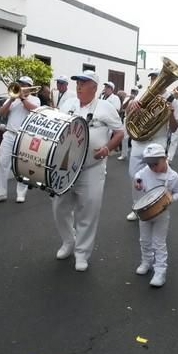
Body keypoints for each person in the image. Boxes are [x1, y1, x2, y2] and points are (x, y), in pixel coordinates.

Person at [52, 70, 124, 271]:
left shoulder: (106, 107)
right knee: (59, 207)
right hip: (65, 166)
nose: (78, 86)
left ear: (94, 87)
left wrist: (107, 148)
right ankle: (68, 241)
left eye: (83, 83)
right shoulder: (67, 104)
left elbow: (120, 132)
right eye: (77, 83)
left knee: (88, 211)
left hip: (92, 167)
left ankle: (82, 253)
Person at [125, 70, 178, 221]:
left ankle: (154, 208)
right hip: (139, 141)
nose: (156, 82)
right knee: (134, 176)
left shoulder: (170, 98)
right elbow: (129, 116)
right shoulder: (142, 93)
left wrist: (171, 113)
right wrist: (131, 108)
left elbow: (174, 128)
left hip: (157, 141)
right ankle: (137, 207)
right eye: (154, 78)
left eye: (159, 79)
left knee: (155, 177)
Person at [133, 143, 178, 287]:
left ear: (165, 158)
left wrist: (170, 199)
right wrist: (138, 182)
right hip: (145, 212)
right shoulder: (146, 171)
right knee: (144, 240)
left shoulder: (173, 176)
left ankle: (160, 271)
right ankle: (146, 261)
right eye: (149, 164)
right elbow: (138, 175)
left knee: (159, 243)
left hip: (161, 214)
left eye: (155, 163)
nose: (152, 167)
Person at [0, 76, 40, 204]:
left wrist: (22, 98)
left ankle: (21, 193)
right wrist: (11, 100)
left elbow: (34, 110)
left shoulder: (35, 99)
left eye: (23, 84)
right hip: (9, 134)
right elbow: (1, 112)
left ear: (29, 87)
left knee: (22, 166)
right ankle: (1, 193)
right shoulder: (12, 98)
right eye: (19, 84)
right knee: (2, 163)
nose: (20, 86)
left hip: (25, 137)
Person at [117, 88, 138, 161]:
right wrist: (130, 100)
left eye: (134, 92)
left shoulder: (139, 100)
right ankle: (124, 154)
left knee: (135, 139)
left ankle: (135, 155)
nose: (133, 93)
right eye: (132, 91)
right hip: (127, 119)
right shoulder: (129, 99)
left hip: (135, 120)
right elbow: (123, 108)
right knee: (124, 138)